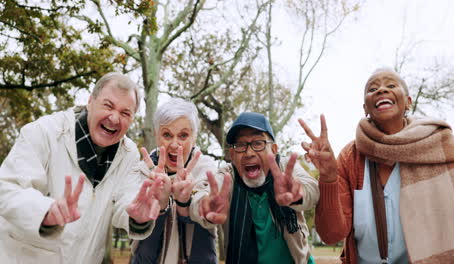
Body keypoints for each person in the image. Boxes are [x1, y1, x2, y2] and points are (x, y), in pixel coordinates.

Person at [299, 68, 454, 264]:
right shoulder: (350, 157)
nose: (381, 90)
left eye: (391, 85)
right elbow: (331, 234)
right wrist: (328, 176)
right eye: (373, 88)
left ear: (408, 102)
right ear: (365, 108)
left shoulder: (439, 147)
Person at [0, 72, 162, 264]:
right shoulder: (44, 132)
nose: (114, 118)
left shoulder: (129, 156)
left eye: (125, 113)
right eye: (108, 105)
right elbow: (8, 190)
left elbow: (125, 203)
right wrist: (45, 211)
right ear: (90, 101)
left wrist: (137, 217)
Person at [190, 112, 319, 264]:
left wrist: (298, 192)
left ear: (274, 149)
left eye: (258, 143)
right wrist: (204, 205)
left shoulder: (284, 167)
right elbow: (202, 194)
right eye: (241, 145)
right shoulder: (227, 176)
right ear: (232, 154)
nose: (249, 153)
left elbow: (312, 189)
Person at [131, 98, 218, 264]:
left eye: (183, 135)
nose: (174, 144)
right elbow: (141, 247)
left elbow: (205, 217)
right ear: (157, 136)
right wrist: (159, 206)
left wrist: (185, 202)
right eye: (167, 135)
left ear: (194, 137)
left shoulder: (207, 170)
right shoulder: (141, 171)